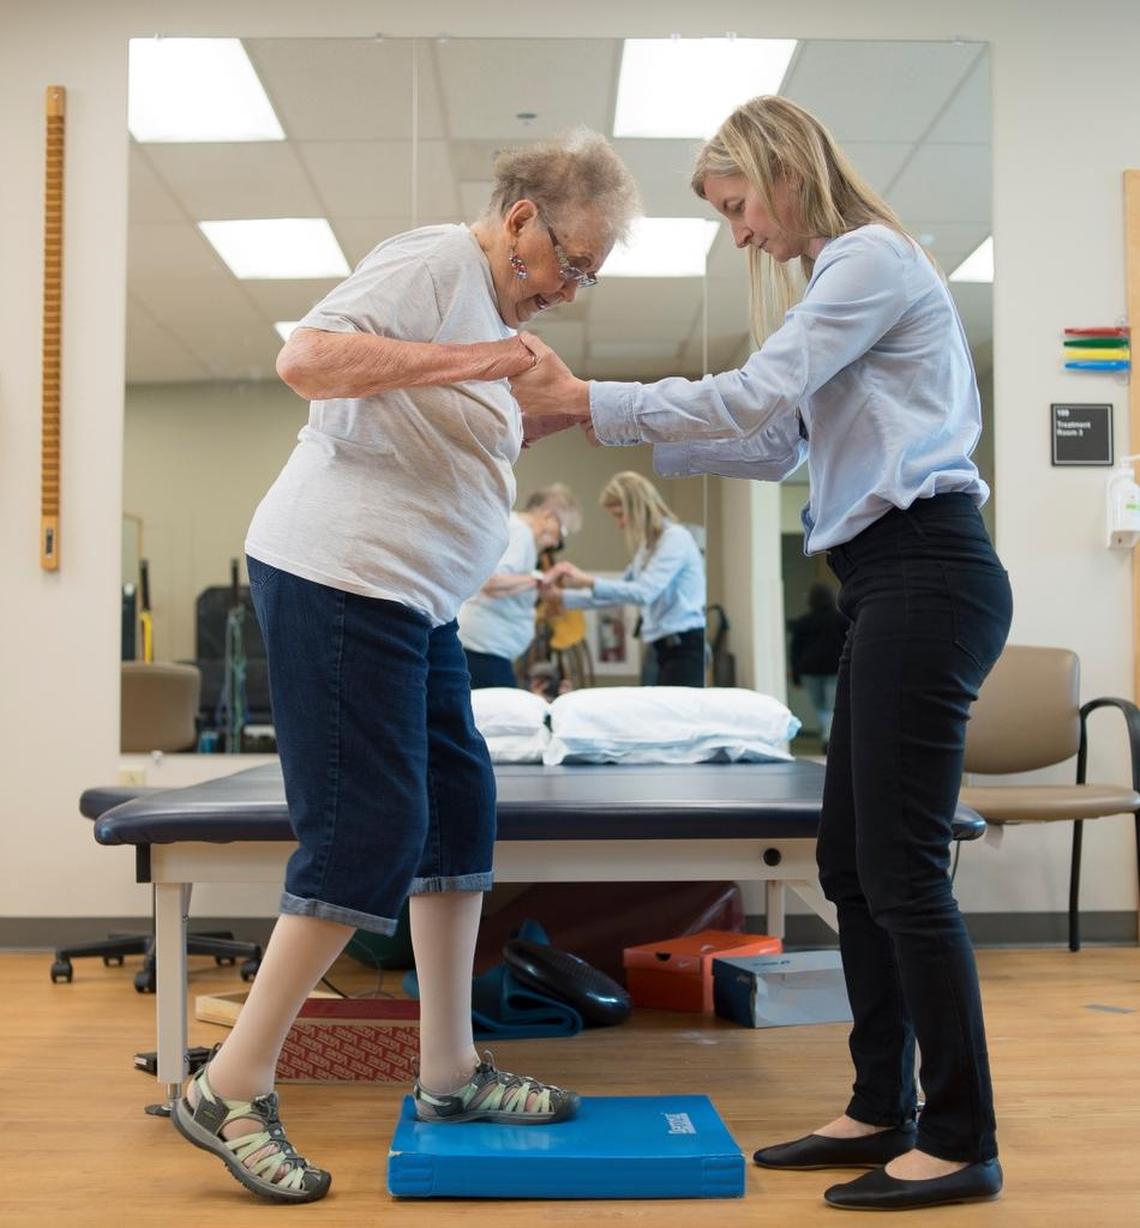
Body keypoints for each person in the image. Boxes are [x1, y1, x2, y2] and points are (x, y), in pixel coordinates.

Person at [512, 96, 1012, 1212]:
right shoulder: (846, 282)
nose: (739, 233)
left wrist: (597, 395)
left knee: (903, 871)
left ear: (780, 173)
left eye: (737, 206)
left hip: (930, 571)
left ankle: (963, 1132)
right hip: (887, 582)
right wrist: (597, 420)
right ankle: (882, 1103)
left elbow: (751, 392)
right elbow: (770, 437)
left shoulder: (873, 261)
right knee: (849, 865)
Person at [170, 129, 640, 1204]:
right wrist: (478, 364)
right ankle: (230, 1084)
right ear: (519, 218)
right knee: (370, 826)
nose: (570, 287)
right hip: (341, 574)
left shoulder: (494, 309)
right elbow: (308, 359)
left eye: (589, 276)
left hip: (416, 598)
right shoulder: (438, 263)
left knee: (458, 810)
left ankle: (449, 1070)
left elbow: (438, 425)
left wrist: (527, 408)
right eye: (567, 262)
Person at [543, 471, 707, 687]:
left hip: (684, 648)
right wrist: (561, 597)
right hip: (659, 647)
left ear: (637, 506)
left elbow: (643, 592)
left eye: (620, 515)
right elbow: (618, 592)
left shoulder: (675, 539)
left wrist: (588, 581)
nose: (620, 524)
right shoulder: (648, 548)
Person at [458, 484, 582, 688]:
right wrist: (540, 578)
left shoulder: (516, 530)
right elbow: (492, 582)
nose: (557, 542)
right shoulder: (521, 533)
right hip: (486, 647)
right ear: (548, 516)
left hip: (487, 646)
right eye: (563, 531)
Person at [789, 581, 849, 753]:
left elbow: (795, 650)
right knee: (832, 707)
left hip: (810, 671)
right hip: (835, 669)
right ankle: (828, 738)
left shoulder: (803, 622)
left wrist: (795, 676)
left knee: (821, 707)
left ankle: (827, 737)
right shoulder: (842, 620)